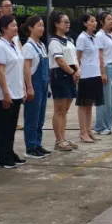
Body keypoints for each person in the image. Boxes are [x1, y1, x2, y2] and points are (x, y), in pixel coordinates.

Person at [0, 15, 25, 168]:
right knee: (4, 127)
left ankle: (9, 151)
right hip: (6, 94)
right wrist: (6, 93)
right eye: (12, 25)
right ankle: (3, 155)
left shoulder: (14, 44)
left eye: (16, 25)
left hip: (17, 91)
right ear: (4, 28)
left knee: (12, 126)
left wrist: (24, 88)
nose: (16, 27)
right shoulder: (0, 46)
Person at [47, 11, 79, 152]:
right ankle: (58, 140)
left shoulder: (69, 40)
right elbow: (59, 61)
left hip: (72, 73)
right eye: (64, 22)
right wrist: (72, 72)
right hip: (60, 75)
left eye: (68, 21)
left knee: (65, 110)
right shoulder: (54, 42)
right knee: (59, 110)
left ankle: (63, 138)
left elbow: (74, 57)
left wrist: (77, 70)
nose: (68, 24)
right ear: (56, 24)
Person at [21, 15, 50, 159]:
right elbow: (26, 68)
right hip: (34, 84)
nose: (42, 28)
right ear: (30, 28)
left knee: (40, 116)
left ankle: (38, 143)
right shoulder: (28, 46)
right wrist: (29, 87)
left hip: (43, 84)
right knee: (31, 116)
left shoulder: (42, 45)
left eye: (43, 25)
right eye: (39, 25)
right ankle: (30, 146)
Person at [74, 13, 104, 144]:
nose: (95, 23)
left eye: (95, 21)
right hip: (86, 75)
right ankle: (82, 132)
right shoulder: (82, 38)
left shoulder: (95, 37)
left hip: (95, 73)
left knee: (90, 104)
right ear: (85, 23)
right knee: (83, 104)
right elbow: (78, 56)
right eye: (92, 21)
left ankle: (88, 130)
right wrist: (77, 72)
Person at [93, 12, 112, 136]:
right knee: (105, 99)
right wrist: (102, 72)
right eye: (108, 19)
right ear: (102, 22)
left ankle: (108, 124)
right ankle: (100, 126)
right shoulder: (99, 35)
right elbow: (100, 55)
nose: (111, 21)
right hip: (106, 67)